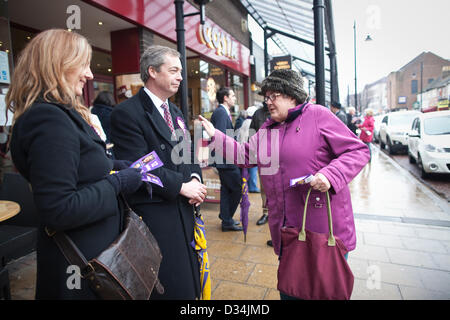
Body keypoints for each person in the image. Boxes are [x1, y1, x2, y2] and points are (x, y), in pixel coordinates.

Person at [199, 69, 370, 300]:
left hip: (322, 229)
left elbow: (357, 150)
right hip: (287, 230)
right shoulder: (267, 129)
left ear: (292, 94)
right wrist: (216, 135)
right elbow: (244, 154)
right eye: (266, 97)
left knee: (325, 292)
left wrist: (330, 175)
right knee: (292, 291)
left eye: (274, 95)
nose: (268, 102)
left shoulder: (317, 115)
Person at [6, 29, 143, 299]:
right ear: (57, 65)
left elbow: (78, 167)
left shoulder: (59, 114)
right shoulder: (48, 119)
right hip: (80, 268)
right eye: (83, 64)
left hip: (94, 257)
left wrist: (114, 164)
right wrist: (118, 181)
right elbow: (60, 209)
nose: (90, 74)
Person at [110, 45, 206, 299]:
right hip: (155, 215)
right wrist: (182, 186)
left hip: (184, 211)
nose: (180, 77)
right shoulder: (126, 113)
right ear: (152, 71)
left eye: (181, 71)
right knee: (166, 285)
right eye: (173, 70)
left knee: (189, 283)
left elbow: (187, 152)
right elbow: (141, 164)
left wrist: (195, 178)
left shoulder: (174, 111)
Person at [210, 87, 243, 232]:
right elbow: (221, 137)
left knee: (226, 190)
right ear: (225, 98)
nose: (235, 98)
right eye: (233, 96)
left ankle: (226, 219)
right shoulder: (221, 113)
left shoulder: (222, 112)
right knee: (237, 189)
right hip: (226, 160)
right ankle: (227, 218)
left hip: (225, 160)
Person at [249, 102, 270, 227]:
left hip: (281, 155)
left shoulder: (281, 111)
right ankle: (266, 212)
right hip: (263, 156)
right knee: (264, 187)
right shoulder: (258, 113)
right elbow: (251, 134)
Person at [237, 106, 259, 193]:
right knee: (253, 169)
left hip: (243, 148)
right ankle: (253, 187)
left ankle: (247, 186)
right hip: (250, 149)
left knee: (246, 169)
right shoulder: (251, 123)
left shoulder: (245, 122)